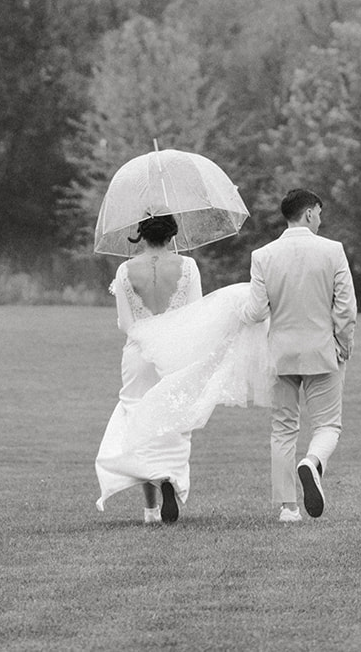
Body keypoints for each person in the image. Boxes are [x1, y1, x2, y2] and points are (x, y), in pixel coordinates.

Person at [94, 214, 272, 524]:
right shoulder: (188, 267)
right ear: (172, 233)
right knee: (172, 419)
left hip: (138, 357)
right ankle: (169, 480)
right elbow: (198, 315)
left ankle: (150, 511)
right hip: (177, 355)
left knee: (139, 418)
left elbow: (125, 324)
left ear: (141, 235)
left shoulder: (125, 271)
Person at [242, 188, 357, 523]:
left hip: (280, 354)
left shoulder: (263, 255)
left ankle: (288, 508)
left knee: (282, 429)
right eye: (319, 213)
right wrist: (344, 344)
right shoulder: (332, 251)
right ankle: (312, 463)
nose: (320, 220)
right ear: (308, 213)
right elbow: (346, 307)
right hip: (323, 351)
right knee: (328, 425)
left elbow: (256, 311)